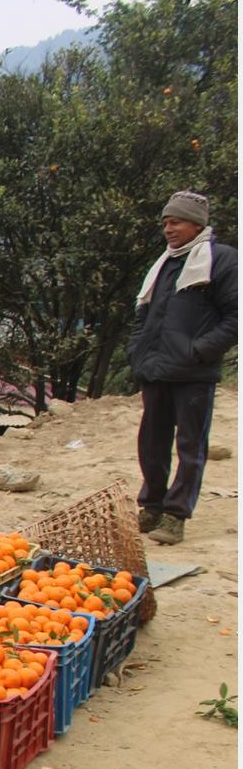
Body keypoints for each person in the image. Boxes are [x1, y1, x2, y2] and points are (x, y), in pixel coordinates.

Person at [128, 189, 237, 546]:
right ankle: (152, 504)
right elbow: (144, 313)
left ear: (196, 224)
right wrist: (138, 351)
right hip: (156, 368)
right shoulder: (165, 263)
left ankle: (176, 515)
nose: (168, 229)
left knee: (190, 446)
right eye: (165, 222)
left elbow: (234, 319)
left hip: (193, 373)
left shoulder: (221, 261)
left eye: (175, 221)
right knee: (151, 442)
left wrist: (199, 351)